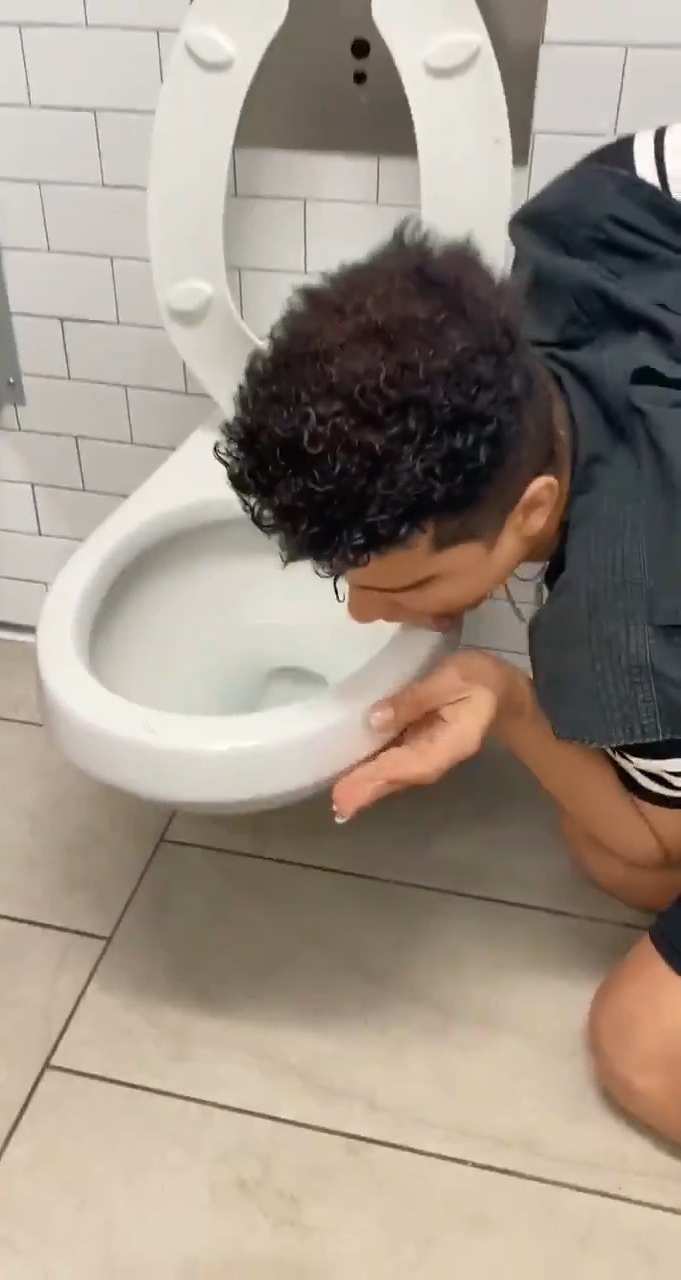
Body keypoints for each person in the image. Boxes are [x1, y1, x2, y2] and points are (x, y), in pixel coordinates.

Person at [215, 125, 681, 1146]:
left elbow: (662, 840)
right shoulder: (599, 208)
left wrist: (508, 702)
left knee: (639, 1029)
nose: (366, 613)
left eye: (412, 581)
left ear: (534, 506)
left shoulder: (629, 636)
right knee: (610, 849)